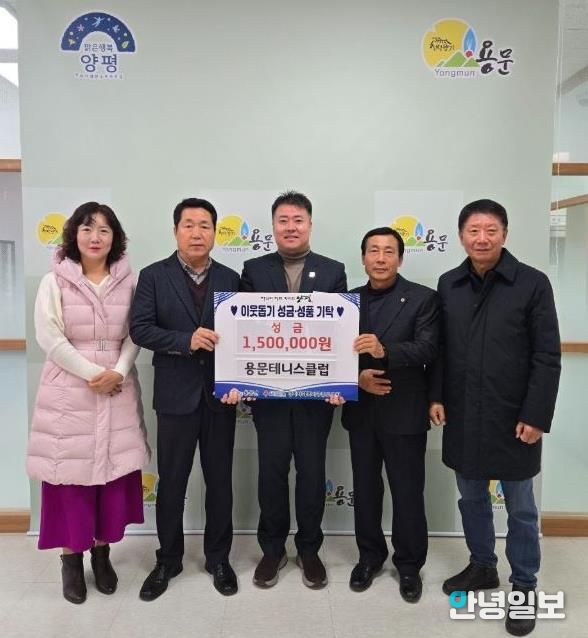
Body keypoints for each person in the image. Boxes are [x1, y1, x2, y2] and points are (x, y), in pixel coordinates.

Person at [429, 199, 561, 636]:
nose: (481, 238)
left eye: (490, 230)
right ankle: (483, 566)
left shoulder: (532, 283)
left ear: (504, 233)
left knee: (520, 508)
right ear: (461, 235)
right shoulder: (449, 284)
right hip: (464, 413)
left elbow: (547, 355)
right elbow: (441, 349)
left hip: (514, 416)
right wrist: (436, 395)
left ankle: (524, 585)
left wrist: (536, 415)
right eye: (473, 230)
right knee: (471, 498)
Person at [26, 202, 150, 605]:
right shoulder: (54, 281)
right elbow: (50, 337)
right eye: (87, 229)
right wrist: (93, 374)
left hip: (116, 386)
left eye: (104, 230)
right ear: (73, 235)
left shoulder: (129, 282)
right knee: (70, 477)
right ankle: (70, 561)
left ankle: (102, 554)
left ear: (116, 238)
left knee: (110, 475)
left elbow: (136, 332)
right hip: (70, 389)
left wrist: (118, 371)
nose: (95, 237)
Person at [130, 197, 240, 600]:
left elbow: (244, 336)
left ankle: (218, 558)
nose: (197, 233)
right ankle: (168, 559)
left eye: (205, 225)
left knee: (220, 482)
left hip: (220, 395)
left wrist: (241, 379)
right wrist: (185, 340)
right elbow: (141, 329)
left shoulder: (231, 278)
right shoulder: (153, 276)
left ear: (215, 232)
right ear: (175, 230)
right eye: (189, 225)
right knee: (172, 482)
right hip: (175, 396)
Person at [240, 191, 347, 589]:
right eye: (283, 220)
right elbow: (243, 330)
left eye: (298, 220)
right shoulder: (254, 270)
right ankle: (272, 549)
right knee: (271, 473)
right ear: (273, 226)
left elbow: (340, 332)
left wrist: (340, 381)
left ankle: (308, 549)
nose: (290, 227)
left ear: (310, 225)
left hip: (315, 396)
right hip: (268, 395)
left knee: (311, 473)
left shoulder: (333, 271)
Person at [341, 227, 439, 602]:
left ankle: (409, 565)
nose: (380, 258)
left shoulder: (423, 299)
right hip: (362, 411)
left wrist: (385, 352)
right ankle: (369, 557)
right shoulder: (346, 302)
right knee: (365, 490)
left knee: (407, 492)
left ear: (400, 258)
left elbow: (428, 348)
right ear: (363, 257)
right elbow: (331, 354)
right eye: (373, 251)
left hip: (405, 411)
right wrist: (356, 379)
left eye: (388, 251)